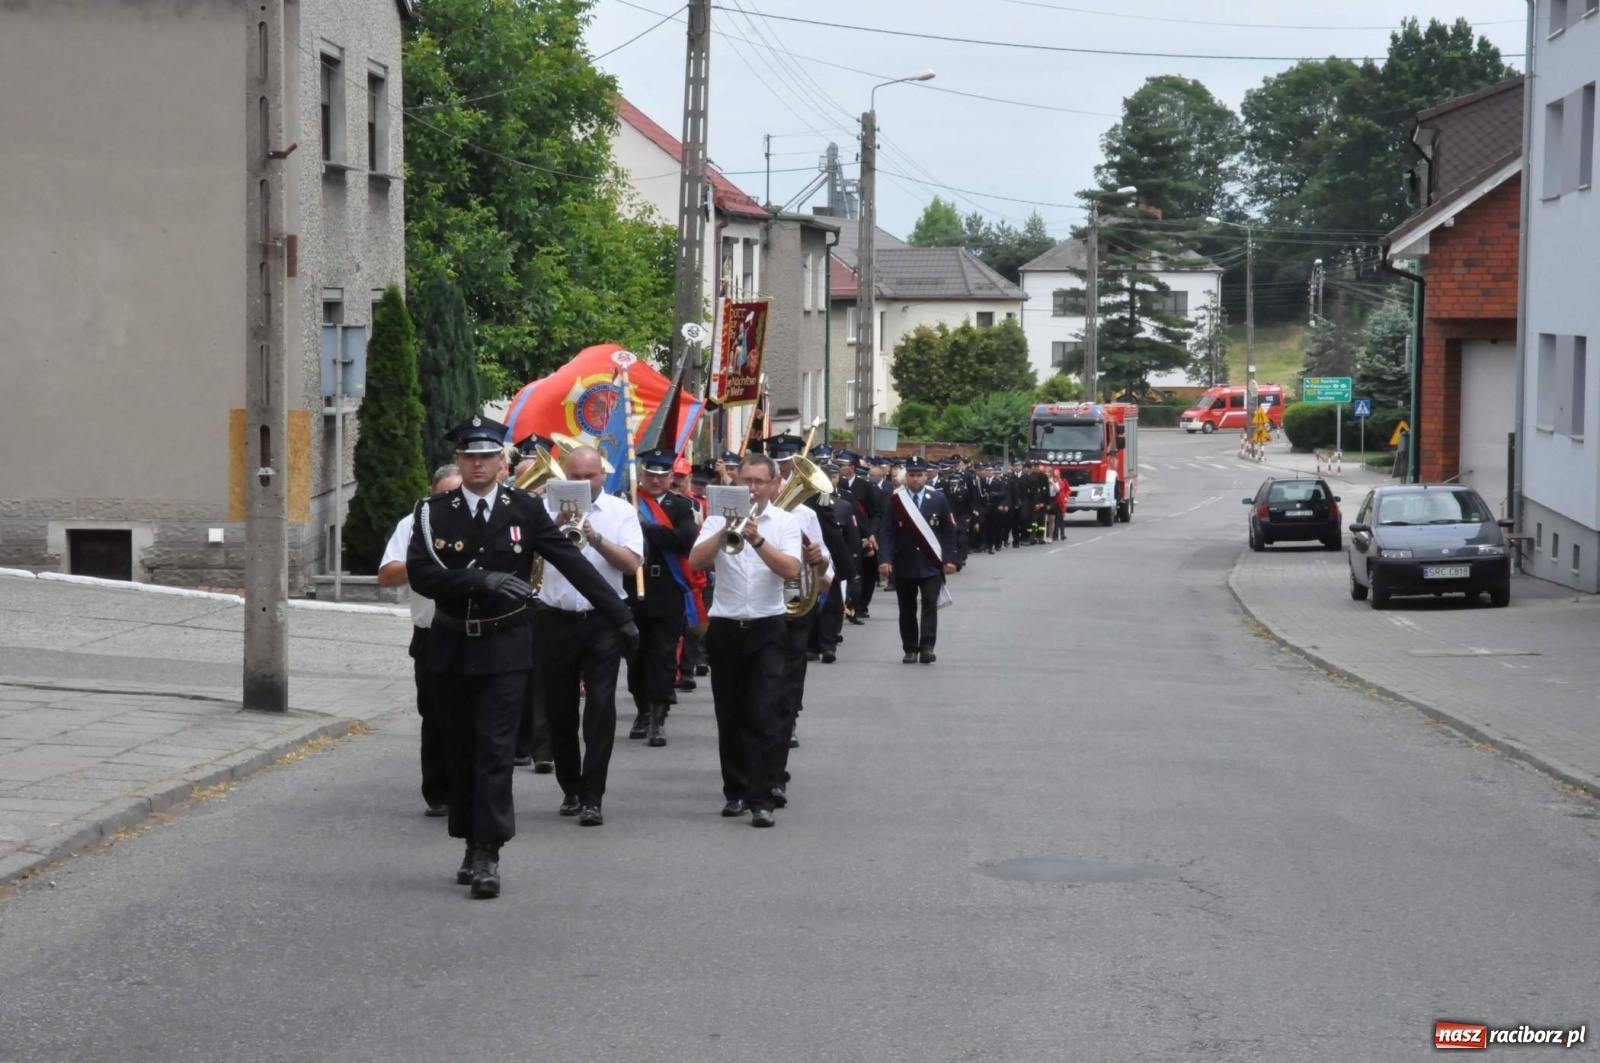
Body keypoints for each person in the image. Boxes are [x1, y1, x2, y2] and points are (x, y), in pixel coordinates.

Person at [408, 419, 638, 899]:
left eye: (487, 456)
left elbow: (572, 564)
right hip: (452, 645)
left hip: (505, 646)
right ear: (461, 459)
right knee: (461, 750)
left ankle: (488, 851)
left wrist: (621, 618)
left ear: (501, 463)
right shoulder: (432, 511)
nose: (477, 463)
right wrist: (481, 581)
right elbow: (423, 574)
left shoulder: (526, 509)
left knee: (494, 750)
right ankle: (469, 839)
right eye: (469, 456)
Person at [688, 454, 802, 828]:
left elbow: (790, 570)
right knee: (730, 713)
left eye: (758, 482)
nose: (751, 488)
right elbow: (695, 561)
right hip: (726, 626)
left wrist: (757, 540)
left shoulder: (786, 522)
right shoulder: (717, 519)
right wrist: (725, 531)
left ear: (773, 485)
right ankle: (735, 791)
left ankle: (762, 797)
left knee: (765, 712)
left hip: (768, 626)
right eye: (745, 481)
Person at [535, 445, 643, 827]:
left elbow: (631, 564)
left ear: (602, 475)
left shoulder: (621, 512)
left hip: (601, 621)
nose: (583, 483)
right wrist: (553, 528)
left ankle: (593, 795)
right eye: (575, 477)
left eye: (590, 477)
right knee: (560, 710)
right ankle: (570, 789)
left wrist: (595, 538)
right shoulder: (544, 511)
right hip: (556, 619)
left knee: (600, 708)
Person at [378, 463, 461, 817]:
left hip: (479, 631)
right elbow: (386, 576)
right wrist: (422, 561)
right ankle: (439, 792)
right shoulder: (412, 524)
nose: (450, 504)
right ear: (430, 495)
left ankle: (473, 787)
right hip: (432, 633)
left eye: (456, 497)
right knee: (435, 714)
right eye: (443, 496)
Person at [765, 433, 833, 782]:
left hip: (794, 604)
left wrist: (818, 562)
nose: (777, 481)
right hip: (759, 605)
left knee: (790, 676)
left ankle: (787, 723)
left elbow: (827, 574)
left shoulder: (806, 515)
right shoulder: (746, 512)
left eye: (782, 475)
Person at [628, 447, 699, 747]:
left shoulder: (681, 506)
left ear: (671, 477)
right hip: (633, 588)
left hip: (667, 588)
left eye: (661, 475)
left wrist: (651, 531)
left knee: (663, 655)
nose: (655, 481)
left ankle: (659, 716)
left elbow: (685, 540)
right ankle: (642, 710)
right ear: (642, 475)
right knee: (635, 656)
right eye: (650, 475)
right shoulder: (629, 503)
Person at [877, 456, 958, 665]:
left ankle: (927, 647)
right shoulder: (896, 500)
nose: (916, 479)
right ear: (907, 476)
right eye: (912, 475)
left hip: (931, 563)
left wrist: (949, 559)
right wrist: (884, 559)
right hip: (904, 562)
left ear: (926, 476)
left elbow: (948, 531)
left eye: (919, 475)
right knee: (907, 608)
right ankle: (910, 648)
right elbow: (886, 531)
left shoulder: (938, 498)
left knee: (930, 604)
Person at [835, 451, 880, 623]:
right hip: (845, 534)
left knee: (866, 573)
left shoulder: (866, 486)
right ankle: (847, 605)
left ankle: (861, 606)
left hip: (864, 535)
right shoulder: (836, 487)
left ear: (852, 467)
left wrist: (870, 534)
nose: (839, 469)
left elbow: (875, 512)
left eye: (842, 465)